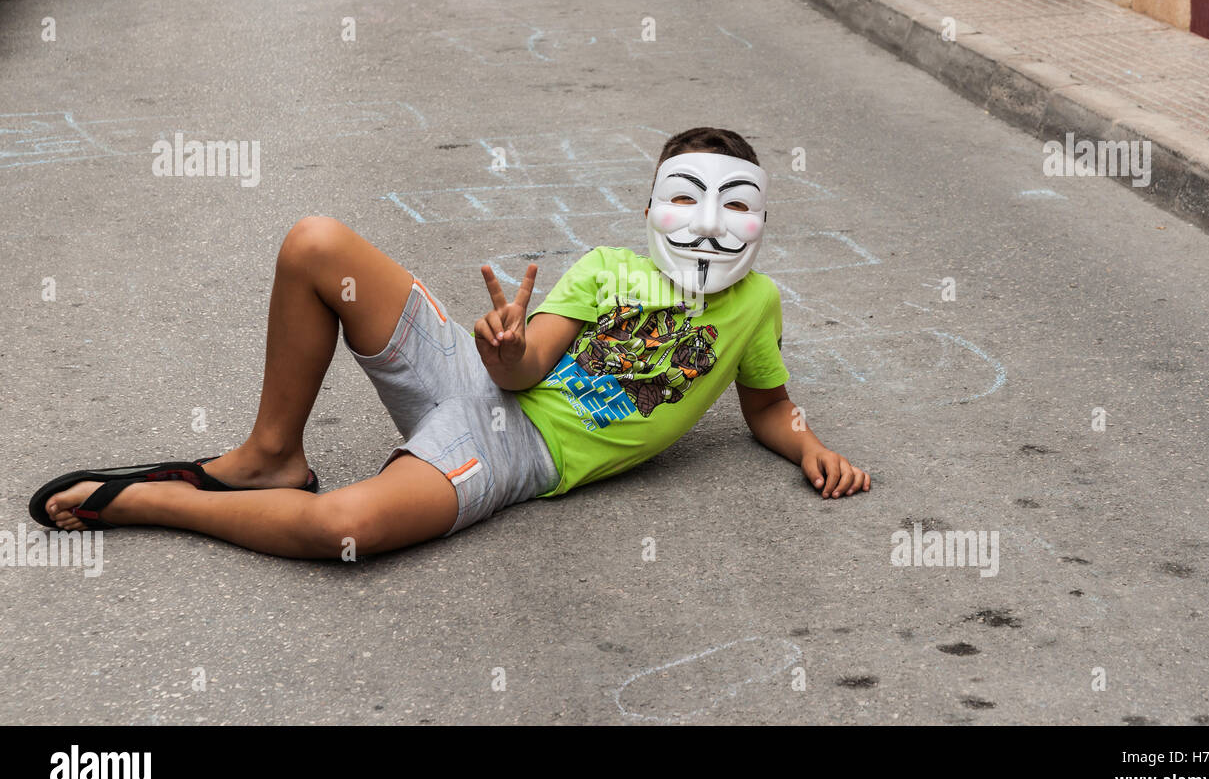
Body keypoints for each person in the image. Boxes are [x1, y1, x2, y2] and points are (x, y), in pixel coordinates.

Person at [30, 127, 869, 558]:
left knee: (341, 532)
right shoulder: (607, 268)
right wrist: (505, 353)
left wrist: (809, 448)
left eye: (733, 207)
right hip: (476, 375)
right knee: (315, 241)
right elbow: (529, 364)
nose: (709, 224)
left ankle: (152, 501)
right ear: (655, 206)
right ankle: (268, 455)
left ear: (761, 222)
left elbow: (768, 404)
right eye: (687, 199)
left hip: (514, 448)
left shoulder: (756, 305)